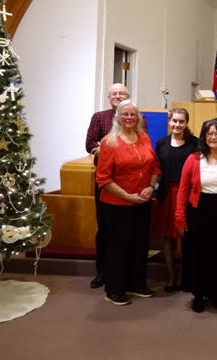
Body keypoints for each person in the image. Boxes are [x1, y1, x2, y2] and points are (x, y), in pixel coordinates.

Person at [96, 100, 160, 306]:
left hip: (142, 202)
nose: (129, 118)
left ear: (138, 117)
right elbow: (103, 179)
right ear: (118, 117)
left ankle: (136, 284)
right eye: (125, 114)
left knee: (139, 245)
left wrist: (151, 187)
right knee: (119, 247)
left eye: (133, 114)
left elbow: (155, 167)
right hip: (117, 205)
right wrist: (127, 196)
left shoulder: (144, 138)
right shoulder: (109, 142)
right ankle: (114, 289)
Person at [85, 83, 148, 289]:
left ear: (128, 96)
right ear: (108, 97)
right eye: (114, 94)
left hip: (133, 182)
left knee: (131, 232)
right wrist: (105, 149)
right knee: (106, 228)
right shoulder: (99, 117)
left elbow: (143, 142)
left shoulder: (139, 118)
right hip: (109, 184)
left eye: (122, 93)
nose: (118, 96)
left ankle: (128, 276)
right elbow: (90, 143)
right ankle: (103, 272)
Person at [175, 120, 217, 313]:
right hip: (199, 211)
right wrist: (180, 217)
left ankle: (215, 292)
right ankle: (198, 294)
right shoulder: (194, 159)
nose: (213, 137)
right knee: (198, 254)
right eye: (209, 134)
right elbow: (183, 190)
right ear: (204, 137)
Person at [151, 108, 198, 292]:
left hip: (187, 194)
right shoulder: (162, 143)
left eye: (181, 121)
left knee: (185, 236)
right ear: (169, 121)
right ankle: (171, 276)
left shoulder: (195, 143)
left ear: (186, 123)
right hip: (167, 193)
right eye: (174, 121)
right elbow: (157, 168)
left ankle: (184, 276)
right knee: (167, 236)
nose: (177, 125)